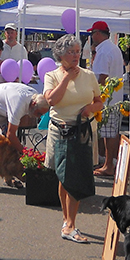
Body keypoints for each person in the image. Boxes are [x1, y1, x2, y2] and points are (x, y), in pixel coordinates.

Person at [43, 34, 104, 243]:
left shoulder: (88, 75)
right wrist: (67, 78)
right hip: (60, 130)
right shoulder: (52, 75)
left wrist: (90, 109)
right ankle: (66, 221)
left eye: (78, 51)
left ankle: (70, 224)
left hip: (82, 131)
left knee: (74, 177)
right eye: (71, 52)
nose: (76, 55)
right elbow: (51, 100)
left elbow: (99, 101)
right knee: (64, 176)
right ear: (61, 54)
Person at [87, 21, 125, 177]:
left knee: (109, 134)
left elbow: (102, 78)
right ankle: (110, 162)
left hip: (106, 100)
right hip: (114, 98)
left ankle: (109, 165)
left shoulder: (103, 51)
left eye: (92, 34)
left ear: (97, 33)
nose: (91, 37)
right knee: (111, 132)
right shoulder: (114, 48)